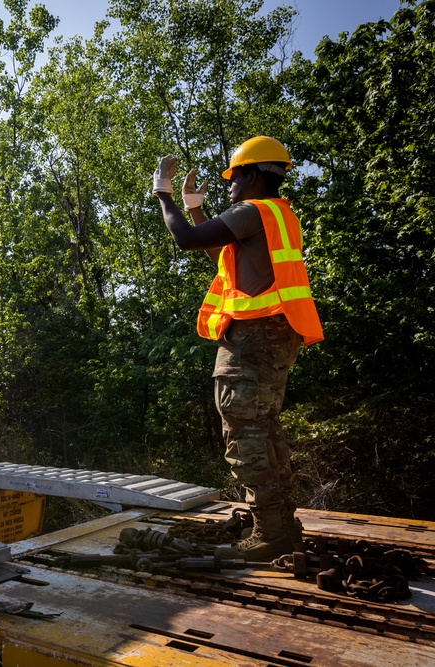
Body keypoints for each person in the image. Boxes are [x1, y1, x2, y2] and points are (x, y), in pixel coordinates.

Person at [152, 136, 323, 560]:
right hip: (278, 337)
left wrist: (164, 194)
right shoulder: (280, 216)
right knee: (265, 431)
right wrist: (196, 207)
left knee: (244, 435)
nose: (228, 185)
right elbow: (225, 260)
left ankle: (269, 534)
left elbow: (186, 240)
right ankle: (283, 526)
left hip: (250, 341)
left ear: (252, 175)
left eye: (233, 177)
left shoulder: (250, 212)